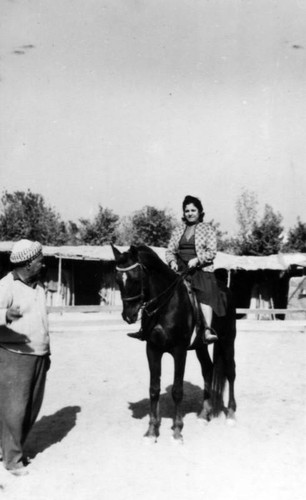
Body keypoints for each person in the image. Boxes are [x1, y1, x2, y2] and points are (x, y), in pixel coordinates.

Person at [129, 195, 225, 343]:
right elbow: (170, 251)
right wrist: (172, 261)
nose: (190, 213)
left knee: (204, 294)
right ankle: (145, 328)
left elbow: (212, 252)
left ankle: (207, 330)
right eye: (187, 211)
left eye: (193, 210)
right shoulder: (178, 230)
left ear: (200, 212)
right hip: (180, 269)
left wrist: (197, 260)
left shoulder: (208, 229)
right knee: (157, 292)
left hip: (200, 271)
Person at [0, 239, 50, 476]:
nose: (43, 263)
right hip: (14, 355)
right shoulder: (6, 286)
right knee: (14, 411)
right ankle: (13, 460)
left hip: (39, 354)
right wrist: (5, 315)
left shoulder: (38, 286)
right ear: (29, 263)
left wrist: (47, 352)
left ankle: (9, 450)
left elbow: (42, 322)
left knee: (31, 407)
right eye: (39, 259)